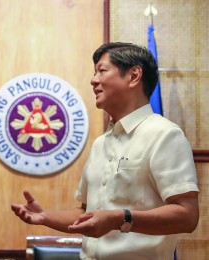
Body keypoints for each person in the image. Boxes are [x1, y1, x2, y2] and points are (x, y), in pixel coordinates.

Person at [11, 42, 199, 259]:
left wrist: (120, 219)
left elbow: (187, 216)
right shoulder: (101, 143)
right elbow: (85, 214)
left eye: (102, 70)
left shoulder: (164, 135)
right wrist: (46, 217)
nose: (93, 80)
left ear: (134, 76)